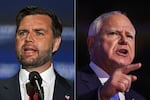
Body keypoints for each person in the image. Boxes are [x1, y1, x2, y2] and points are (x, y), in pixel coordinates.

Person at [0, 6, 73, 100]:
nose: (28, 39)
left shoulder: (75, 92)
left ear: (56, 43)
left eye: (39, 33)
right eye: (23, 33)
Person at [77, 11, 146, 100]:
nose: (124, 40)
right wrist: (101, 96)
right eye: (114, 33)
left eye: (129, 36)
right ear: (91, 44)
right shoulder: (73, 85)